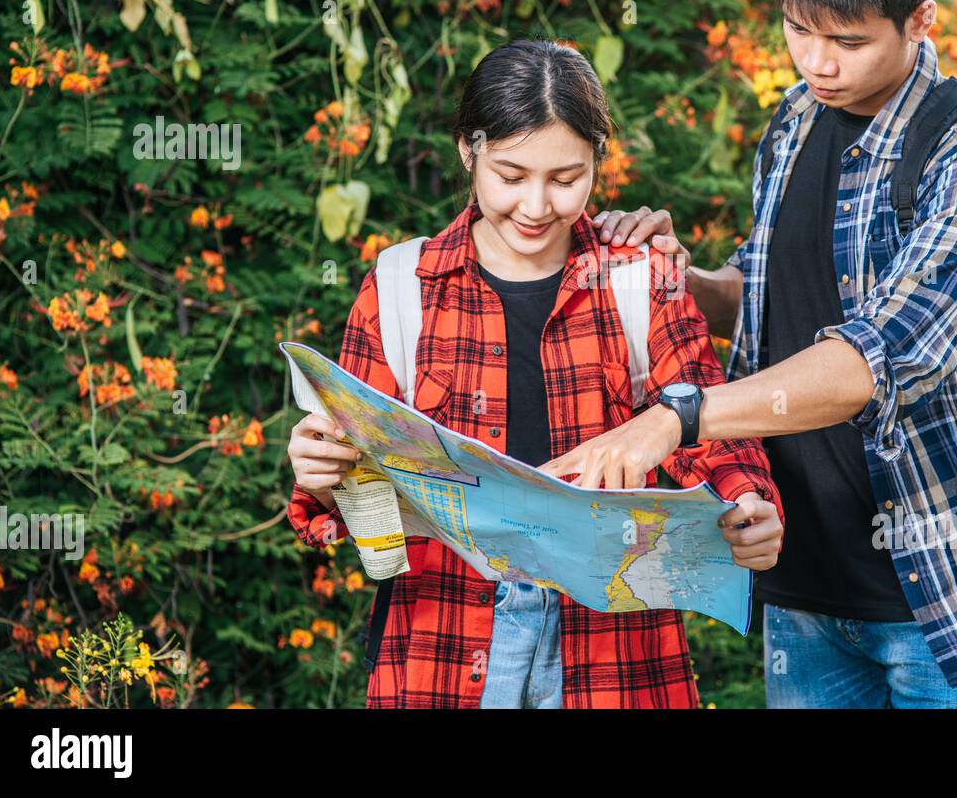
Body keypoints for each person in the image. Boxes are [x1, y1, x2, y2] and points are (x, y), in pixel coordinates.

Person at [547, 0, 957, 708]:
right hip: (803, 581)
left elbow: (874, 361)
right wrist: (680, 280)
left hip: (940, 598)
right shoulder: (795, 117)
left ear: (921, 20)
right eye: (798, 30)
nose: (817, 61)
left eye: (846, 40)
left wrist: (679, 416)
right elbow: (772, 289)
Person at [285, 39, 783, 709]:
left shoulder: (641, 277)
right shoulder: (401, 286)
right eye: (511, 175)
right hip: (443, 635)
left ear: (598, 159)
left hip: (612, 646)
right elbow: (362, 502)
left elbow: (711, 422)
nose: (537, 205)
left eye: (566, 178)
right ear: (469, 149)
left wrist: (750, 501)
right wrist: (322, 475)